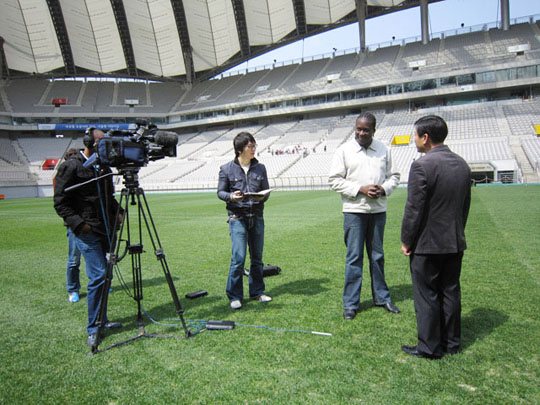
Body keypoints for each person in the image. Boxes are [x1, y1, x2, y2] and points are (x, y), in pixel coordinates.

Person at [400, 115, 471, 359]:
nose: (414, 140)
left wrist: (407, 240)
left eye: (416, 135)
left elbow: (414, 209)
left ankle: (429, 346)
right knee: (451, 291)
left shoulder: (422, 165)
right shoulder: (462, 164)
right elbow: (465, 206)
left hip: (427, 244)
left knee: (426, 294)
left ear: (426, 137)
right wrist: (457, 232)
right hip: (454, 240)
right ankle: (452, 343)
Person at [54, 128, 123, 347]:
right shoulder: (71, 166)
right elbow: (60, 203)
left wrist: (119, 211)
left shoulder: (104, 168)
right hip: (87, 231)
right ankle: (93, 327)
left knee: (104, 277)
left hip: (105, 229)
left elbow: (109, 197)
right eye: (103, 142)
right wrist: (79, 225)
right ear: (89, 143)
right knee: (99, 275)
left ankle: (103, 321)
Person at [329, 112, 401, 320]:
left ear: (373, 131)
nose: (361, 133)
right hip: (354, 212)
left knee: (377, 256)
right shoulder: (344, 150)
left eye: (365, 130)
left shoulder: (383, 149)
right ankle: (351, 304)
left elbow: (394, 176)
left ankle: (382, 297)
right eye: (358, 129)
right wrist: (360, 188)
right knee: (354, 257)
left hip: (378, 211)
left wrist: (384, 189)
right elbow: (334, 180)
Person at [217, 132, 272, 310]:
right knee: (238, 258)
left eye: (254, 146)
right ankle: (234, 295)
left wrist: (262, 197)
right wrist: (231, 196)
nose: (253, 149)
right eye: (250, 146)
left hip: (256, 216)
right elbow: (220, 192)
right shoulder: (226, 169)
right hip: (237, 218)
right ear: (240, 149)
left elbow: (266, 190)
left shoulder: (260, 168)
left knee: (257, 258)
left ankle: (257, 292)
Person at [60, 148, 83, 303]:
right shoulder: (65, 176)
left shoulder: (84, 173)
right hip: (75, 224)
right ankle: (73, 289)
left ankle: (100, 283)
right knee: (74, 259)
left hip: (90, 220)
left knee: (98, 257)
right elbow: (61, 202)